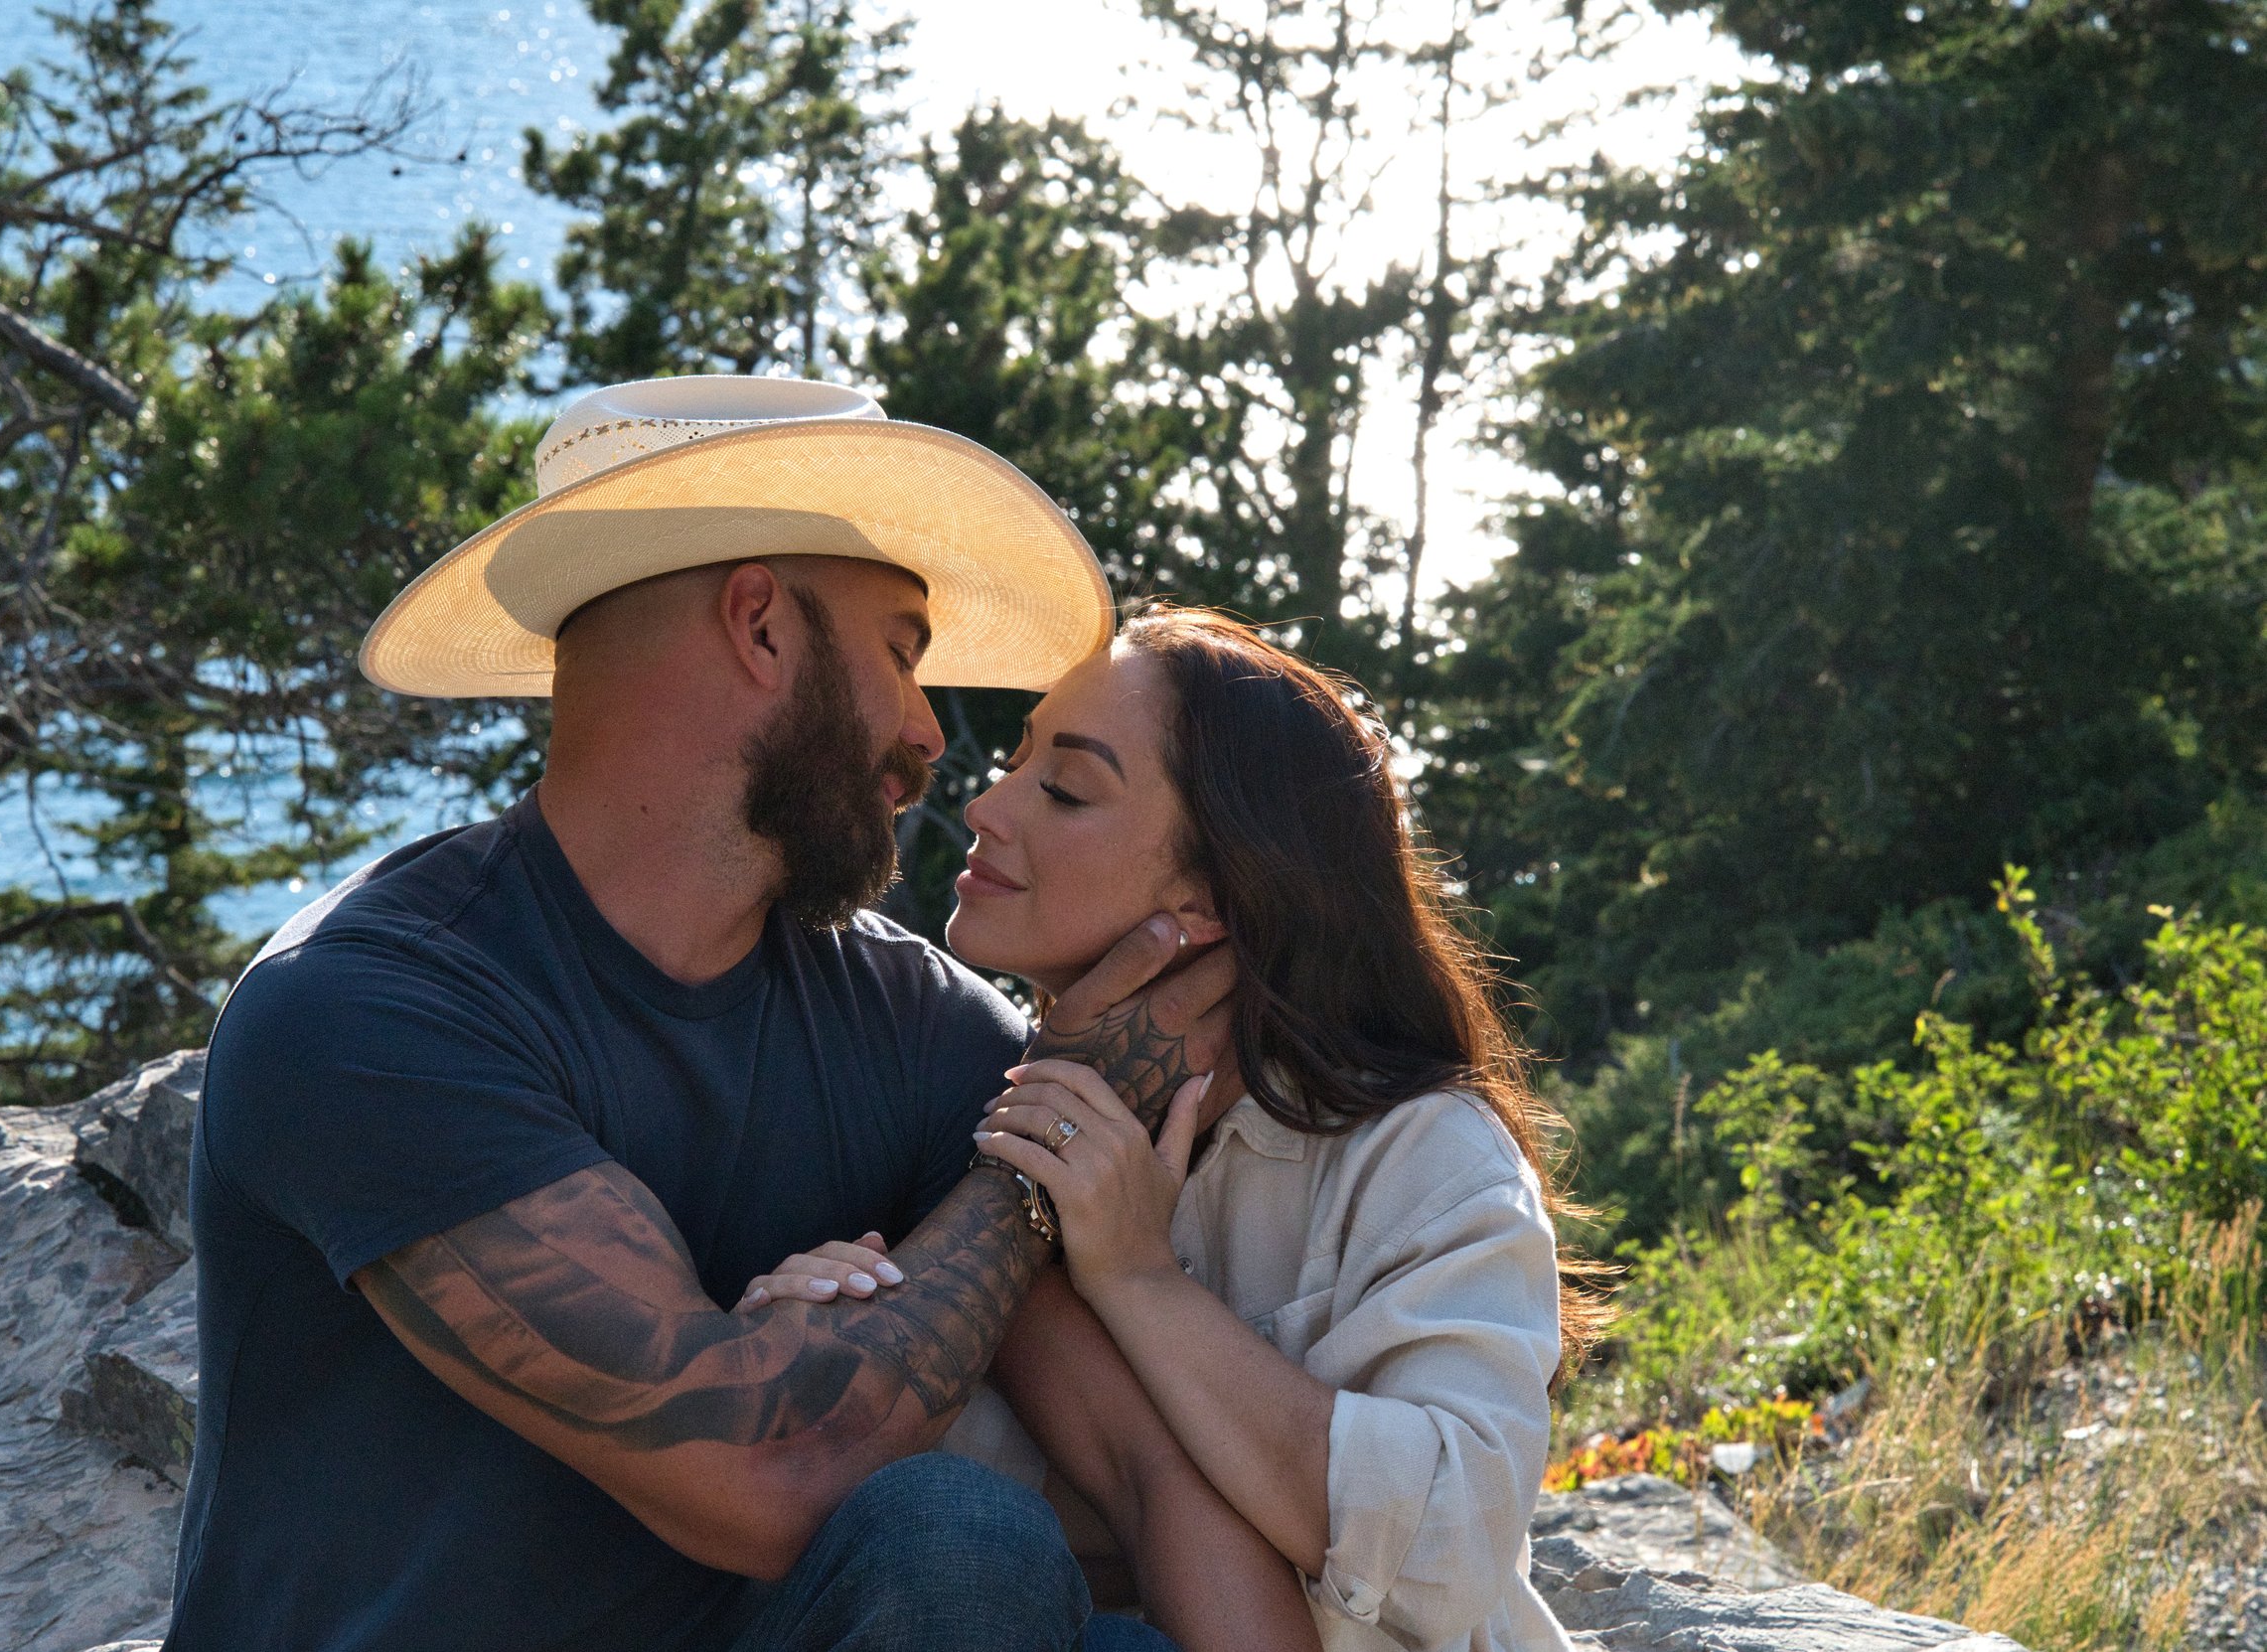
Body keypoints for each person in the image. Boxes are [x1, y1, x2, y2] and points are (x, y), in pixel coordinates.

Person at [165, 376, 1293, 1652]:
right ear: (759, 624)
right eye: (901, 654)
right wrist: (1037, 1158)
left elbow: (1141, 1474)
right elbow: (774, 1481)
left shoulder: (913, 1024)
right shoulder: (367, 1009)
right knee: (957, 1539)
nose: (929, 732)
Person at [745, 606, 1604, 1650]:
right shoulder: (983, 1126)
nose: (985, 804)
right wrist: (812, 1326)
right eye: (1015, 761)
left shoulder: (1421, 1152)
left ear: (1209, 894)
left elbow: (1447, 1551)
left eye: (1063, 789)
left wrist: (1140, 1278)